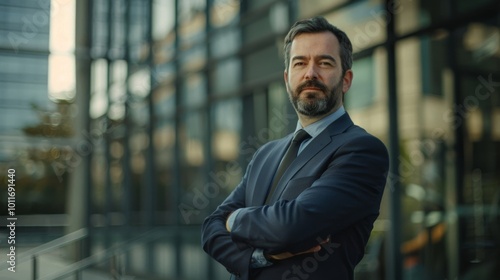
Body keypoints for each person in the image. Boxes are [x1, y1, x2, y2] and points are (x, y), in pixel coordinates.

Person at [201, 16, 389, 280]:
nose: (310, 73)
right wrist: (259, 257)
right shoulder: (265, 154)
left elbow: (292, 226)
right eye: (300, 63)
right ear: (288, 78)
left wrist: (234, 219)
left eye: (324, 63)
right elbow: (210, 229)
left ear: (346, 80)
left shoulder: (361, 150)